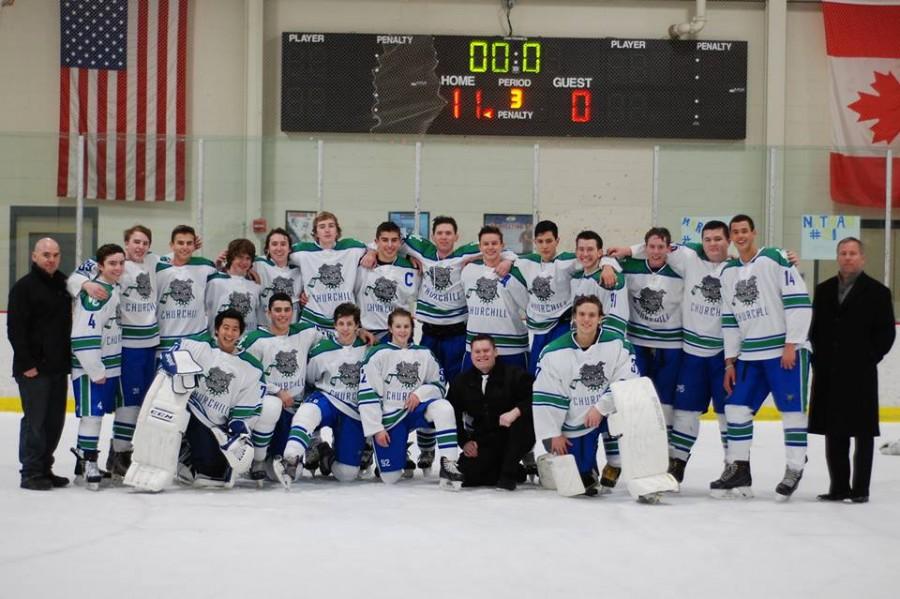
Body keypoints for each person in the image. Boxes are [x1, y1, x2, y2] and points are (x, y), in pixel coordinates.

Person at [609, 221, 731, 484]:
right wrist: (621, 255)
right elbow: (611, 261)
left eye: (718, 239)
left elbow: (737, 252)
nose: (655, 251)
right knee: (652, 406)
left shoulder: (696, 264)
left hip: (697, 349)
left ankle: (725, 464)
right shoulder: (676, 259)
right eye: (650, 246)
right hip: (665, 347)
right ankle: (644, 459)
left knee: (688, 409)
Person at [714, 214, 812, 500]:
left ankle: (795, 467)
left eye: (745, 231)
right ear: (731, 237)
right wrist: (730, 361)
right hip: (750, 355)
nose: (741, 236)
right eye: (736, 232)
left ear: (753, 233)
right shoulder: (728, 273)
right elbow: (730, 319)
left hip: (783, 352)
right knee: (735, 409)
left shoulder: (774, 258)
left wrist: (792, 343)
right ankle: (740, 467)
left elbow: (799, 301)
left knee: (793, 413)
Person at [68, 225, 161, 476]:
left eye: (145, 242)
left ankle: (116, 453)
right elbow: (73, 279)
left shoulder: (152, 261)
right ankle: (100, 457)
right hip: (124, 349)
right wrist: (86, 284)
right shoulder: (105, 271)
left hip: (144, 346)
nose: (140, 247)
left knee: (134, 404)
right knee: (102, 410)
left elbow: (178, 261)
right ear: (126, 243)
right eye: (136, 242)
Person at [809, 237, 895, 503]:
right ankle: (839, 487)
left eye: (853, 253)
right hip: (829, 373)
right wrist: (819, 360)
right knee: (834, 433)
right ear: (837, 257)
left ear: (862, 258)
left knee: (863, 433)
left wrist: (868, 358)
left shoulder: (878, 292)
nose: (848, 257)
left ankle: (860, 489)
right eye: (843, 253)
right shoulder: (823, 290)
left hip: (860, 373)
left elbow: (886, 334)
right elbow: (815, 330)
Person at [532, 295, 639, 496]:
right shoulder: (553, 352)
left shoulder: (618, 345)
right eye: (581, 314)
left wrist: (600, 408)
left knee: (627, 413)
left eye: (592, 315)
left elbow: (628, 381)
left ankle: (616, 462)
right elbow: (545, 395)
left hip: (606, 413)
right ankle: (577, 466)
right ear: (573, 317)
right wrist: (554, 433)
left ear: (601, 318)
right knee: (581, 485)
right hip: (575, 422)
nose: (586, 319)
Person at [397, 215, 515, 383]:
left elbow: (502, 250)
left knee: (457, 380)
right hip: (429, 332)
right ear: (433, 236)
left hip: (456, 332)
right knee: (424, 377)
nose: (444, 237)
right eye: (440, 233)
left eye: (448, 233)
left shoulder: (465, 254)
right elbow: (391, 241)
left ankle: (457, 409)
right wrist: (409, 257)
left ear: (456, 236)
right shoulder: (422, 250)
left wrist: (507, 262)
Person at [357, 308, 464, 489]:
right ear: (390, 328)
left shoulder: (424, 353)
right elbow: (367, 393)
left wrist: (419, 394)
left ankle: (449, 463)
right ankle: (395, 451)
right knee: (390, 477)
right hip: (390, 418)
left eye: (406, 326)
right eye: (398, 326)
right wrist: (376, 429)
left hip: (416, 411)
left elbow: (438, 386)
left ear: (412, 328)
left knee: (443, 407)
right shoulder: (377, 354)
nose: (402, 330)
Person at [173, 309, 280, 487]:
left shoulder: (251, 367)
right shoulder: (200, 346)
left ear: (240, 333)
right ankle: (182, 448)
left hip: (216, 425)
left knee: (213, 475)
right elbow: (173, 352)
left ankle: (190, 455)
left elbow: (246, 407)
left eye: (234, 329)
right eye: (225, 328)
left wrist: (236, 434)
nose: (229, 333)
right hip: (191, 412)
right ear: (217, 329)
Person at [275, 303, 370, 487]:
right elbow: (310, 379)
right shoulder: (321, 350)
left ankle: (326, 455)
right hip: (328, 399)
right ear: (334, 325)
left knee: (347, 474)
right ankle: (291, 458)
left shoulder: (368, 348)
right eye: (341, 323)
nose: (345, 328)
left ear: (357, 325)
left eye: (350, 324)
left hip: (352, 410)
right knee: (308, 410)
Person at [8, 237, 72, 491]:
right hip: (33, 369)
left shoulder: (63, 283)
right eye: (46, 254)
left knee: (54, 421)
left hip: (58, 367)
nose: (51, 259)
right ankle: (31, 472)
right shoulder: (24, 287)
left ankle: (46, 467)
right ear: (34, 256)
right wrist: (27, 364)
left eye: (55, 254)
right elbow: (15, 329)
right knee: (35, 421)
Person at [516, 221, 619, 376]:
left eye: (549, 241)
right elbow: (500, 254)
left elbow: (596, 256)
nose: (545, 246)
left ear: (557, 241)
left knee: (561, 366)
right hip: (538, 329)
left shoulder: (567, 261)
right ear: (534, 242)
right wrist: (504, 262)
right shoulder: (526, 261)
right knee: (535, 371)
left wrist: (607, 266)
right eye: (540, 241)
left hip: (561, 325)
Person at [238, 293, 323, 477]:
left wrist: (359, 333)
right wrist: (276, 391)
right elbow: (246, 374)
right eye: (277, 310)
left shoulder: (305, 332)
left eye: (287, 310)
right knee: (272, 407)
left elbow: (336, 341)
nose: (282, 315)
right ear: (268, 312)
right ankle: (258, 457)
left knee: (285, 473)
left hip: (296, 408)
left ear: (292, 312)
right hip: (269, 407)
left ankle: (305, 448)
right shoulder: (255, 340)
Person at [69, 244, 126, 490]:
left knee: (98, 415)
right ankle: (88, 462)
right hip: (92, 369)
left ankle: (82, 464)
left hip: (109, 366)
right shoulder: (96, 294)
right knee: (91, 417)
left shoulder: (113, 288)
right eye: (112, 263)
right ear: (100, 266)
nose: (118, 268)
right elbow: (82, 336)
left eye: (121, 263)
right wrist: (95, 369)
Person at [618, 227, 684, 435]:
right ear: (644, 247)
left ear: (668, 248)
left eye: (661, 247)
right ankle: (637, 436)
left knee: (666, 396)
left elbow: (702, 254)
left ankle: (664, 441)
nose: (656, 251)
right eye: (651, 246)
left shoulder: (681, 268)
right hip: (638, 341)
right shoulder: (631, 266)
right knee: (637, 392)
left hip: (671, 343)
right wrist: (611, 264)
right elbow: (605, 259)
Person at [447, 334, 535, 490]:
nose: (482, 355)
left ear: (495, 352)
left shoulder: (514, 374)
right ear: (471, 354)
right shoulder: (461, 382)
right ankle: (513, 470)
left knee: (521, 422)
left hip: (514, 435)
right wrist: (464, 441)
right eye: (477, 352)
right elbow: (451, 413)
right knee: (466, 475)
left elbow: (536, 398)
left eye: (486, 350)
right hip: (485, 439)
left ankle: (508, 475)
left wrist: (515, 412)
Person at [460, 225, 530, 371]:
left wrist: (509, 266)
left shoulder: (516, 271)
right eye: (486, 244)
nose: (490, 247)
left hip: (511, 348)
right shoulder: (469, 270)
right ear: (480, 246)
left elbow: (527, 305)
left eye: (494, 243)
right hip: (476, 348)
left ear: (502, 245)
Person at [290, 211, 368, 330]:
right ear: (315, 232)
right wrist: (300, 290)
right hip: (312, 319)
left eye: (331, 226)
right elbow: (279, 256)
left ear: (337, 231)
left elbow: (375, 248)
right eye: (322, 227)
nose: (327, 230)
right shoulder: (302, 251)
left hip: (345, 321)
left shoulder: (352, 247)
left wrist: (372, 253)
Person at [355, 221, 421, 341]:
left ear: (400, 242)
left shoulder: (410, 268)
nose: (390, 245)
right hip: (366, 335)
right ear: (376, 242)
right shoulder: (362, 266)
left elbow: (419, 297)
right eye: (385, 240)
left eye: (394, 240)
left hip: (398, 335)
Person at [156, 225, 217, 351]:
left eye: (189, 243)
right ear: (171, 245)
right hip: (166, 342)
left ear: (195, 246)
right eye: (180, 243)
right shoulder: (158, 267)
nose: (185, 247)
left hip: (197, 342)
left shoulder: (205, 266)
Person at [570, 230, 629, 340]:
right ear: (576, 252)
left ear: (600, 252)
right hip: (580, 344)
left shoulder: (609, 279)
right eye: (581, 249)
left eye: (590, 249)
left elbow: (616, 319)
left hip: (603, 345)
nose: (585, 254)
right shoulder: (575, 279)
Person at [206, 238, 261, 334]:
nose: (244, 262)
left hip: (247, 344)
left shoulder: (255, 286)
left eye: (248, 258)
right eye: (240, 257)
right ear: (231, 258)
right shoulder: (214, 281)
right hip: (220, 343)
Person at [254, 228, 303, 329]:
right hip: (264, 328)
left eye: (283, 244)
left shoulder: (299, 269)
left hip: (291, 330)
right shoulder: (258, 264)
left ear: (289, 248)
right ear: (267, 248)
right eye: (274, 244)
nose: (279, 248)